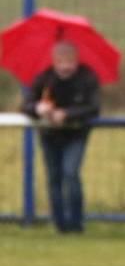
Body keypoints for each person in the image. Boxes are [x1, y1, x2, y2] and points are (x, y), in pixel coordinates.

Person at [21, 41, 100, 233]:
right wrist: (38, 109)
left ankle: (77, 223)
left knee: (71, 173)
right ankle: (60, 225)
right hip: (50, 136)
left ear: (76, 61)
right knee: (54, 178)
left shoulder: (87, 78)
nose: (65, 66)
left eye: (69, 62)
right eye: (61, 62)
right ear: (54, 61)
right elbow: (26, 105)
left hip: (75, 134)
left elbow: (93, 107)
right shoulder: (44, 79)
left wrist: (66, 114)